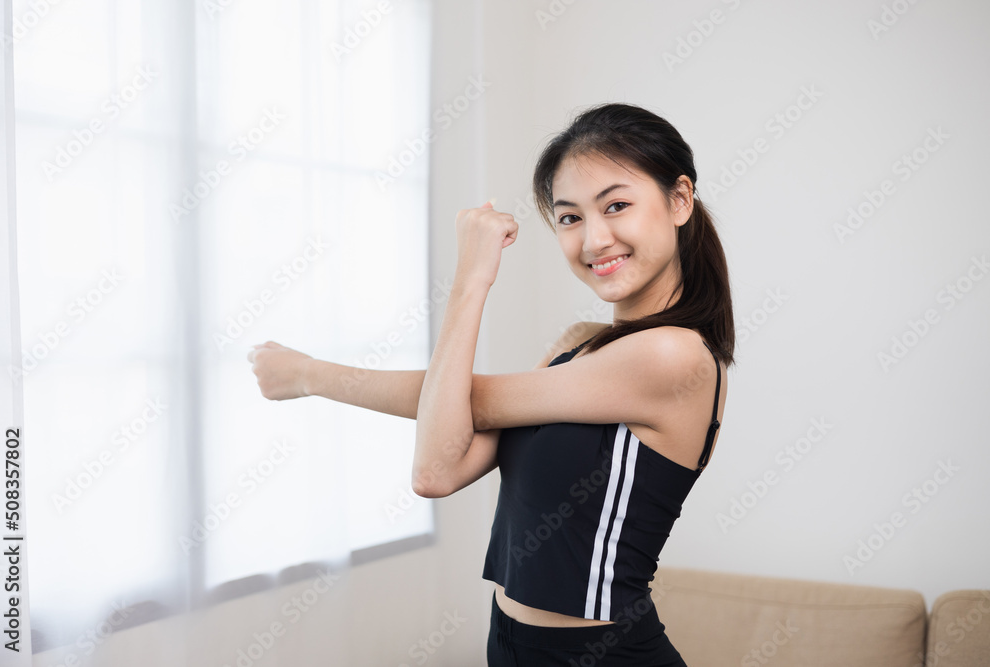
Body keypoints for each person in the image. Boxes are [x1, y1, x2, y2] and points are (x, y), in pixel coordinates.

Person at [247, 102, 734, 666]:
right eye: (570, 217)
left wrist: (470, 279)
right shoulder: (582, 345)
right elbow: (447, 458)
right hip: (510, 644)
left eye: (617, 205)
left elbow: (432, 462)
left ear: (679, 200)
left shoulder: (672, 355)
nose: (594, 239)